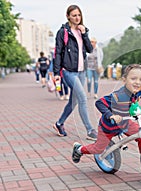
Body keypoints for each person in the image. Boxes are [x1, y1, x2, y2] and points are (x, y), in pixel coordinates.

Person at [71, 64, 141, 163]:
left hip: (124, 123)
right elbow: (99, 103)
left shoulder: (140, 90)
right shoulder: (119, 96)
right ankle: (79, 149)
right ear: (124, 80)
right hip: (108, 127)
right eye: (133, 79)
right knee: (98, 149)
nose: (138, 83)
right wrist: (111, 115)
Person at [52, 4, 97, 140]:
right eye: (74, 15)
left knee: (74, 101)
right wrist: (56, 73)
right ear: (68, 16)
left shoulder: (82, 30)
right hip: (68, 71)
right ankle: (90, 130)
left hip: (81, 71)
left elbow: (89, 49)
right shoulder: (63, 32)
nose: (77, 18)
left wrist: (84, 34)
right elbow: (58, 53)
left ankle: (59, 123)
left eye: (79, 15)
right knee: (82, 98)